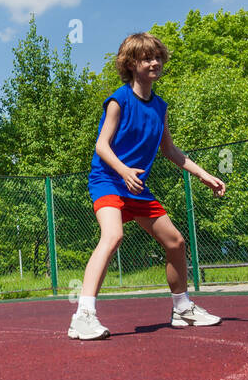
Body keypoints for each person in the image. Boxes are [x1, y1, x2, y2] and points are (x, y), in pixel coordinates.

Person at [68, 33, 226, 340]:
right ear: (131, 64)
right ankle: (83, 315)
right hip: (109, 180)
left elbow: (170, 150)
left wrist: (204, 175)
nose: (154, 62)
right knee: (113, 235)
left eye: (157, 57)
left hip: (136, 186)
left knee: (176, 243)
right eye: (146, 58)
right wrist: (124, 170)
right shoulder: (119, 100)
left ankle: (182, 309)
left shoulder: (160, 107)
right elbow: (101, 145)